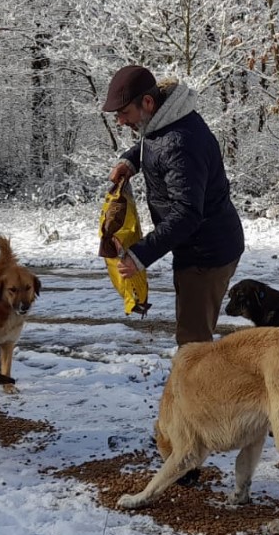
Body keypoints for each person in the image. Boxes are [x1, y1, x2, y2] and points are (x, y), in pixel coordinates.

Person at [103, 64, 244, 346]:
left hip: (205, 257)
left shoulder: (180, 143)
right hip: (205, 246)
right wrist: (131, 161)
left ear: (147, 102)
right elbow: (152, 142)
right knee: (194, 341)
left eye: (124, 113)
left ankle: (203, 390)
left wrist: (139, 255)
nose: (120, 122)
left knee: (194, 346)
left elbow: (186, 214)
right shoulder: (167, 119)